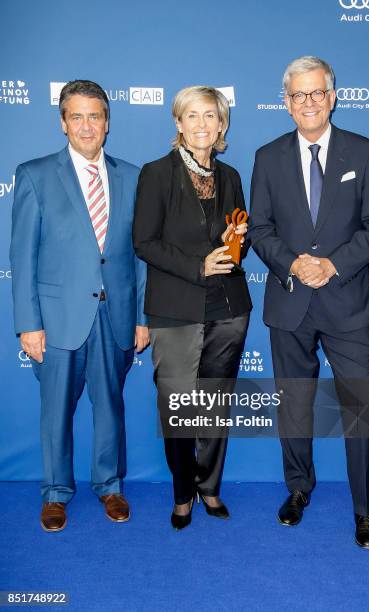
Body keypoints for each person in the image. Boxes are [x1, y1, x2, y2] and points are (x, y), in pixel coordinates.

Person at [249, 56, 369, 548]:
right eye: (298, 95)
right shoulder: (267, 157)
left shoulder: (366, 152)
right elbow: (260, 230)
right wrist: (294, 264)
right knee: (293, 403)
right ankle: (297, 488)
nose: (308, 103)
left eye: (317, 93)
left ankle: (365, 510)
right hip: (289, 302)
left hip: (347, 303)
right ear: (286, 103)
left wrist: (331, 264)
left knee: (360, 409)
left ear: (333, 97)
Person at [10, 80, 149, 532]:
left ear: (107, 123)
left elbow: (141, 256)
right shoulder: (34, 175)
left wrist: (143, 317)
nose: (87, 125)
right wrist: (29, 324)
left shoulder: (133, 176)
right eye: (77, 116)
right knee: (56, 410)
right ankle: (55, 493)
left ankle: (110, 487)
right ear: (63, 122)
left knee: (111, 405)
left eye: (95, 116)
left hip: (116, 316)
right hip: (58, 317)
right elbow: (22, 256)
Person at [133, 86, 251, 530]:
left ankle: (210, 486)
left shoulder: (232, 176)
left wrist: (235, 243)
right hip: (175, 307)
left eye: (211, 116)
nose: (202, 124)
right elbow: (143, 242)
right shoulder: (157, 174)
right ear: (178, 124)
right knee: (179, 407)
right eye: (192, 116)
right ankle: (183, 491)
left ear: (222, 125)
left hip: (229, 307)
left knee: (216, 406)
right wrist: (198, 265)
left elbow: (241, 234)